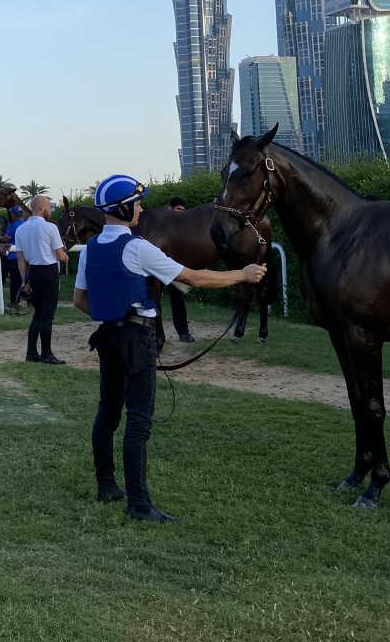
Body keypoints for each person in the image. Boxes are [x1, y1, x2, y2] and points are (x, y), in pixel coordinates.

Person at [74, 174, 266, 524]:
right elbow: (194, 277)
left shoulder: (91, 249)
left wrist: (113, 315)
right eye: (136, 202)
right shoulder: (137, 247)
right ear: (122, 207)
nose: (141, 207)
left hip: (108, 338)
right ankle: (139, 504)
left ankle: (107, 486)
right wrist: (243, 274)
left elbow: (79, 300)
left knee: (107, 414)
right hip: (137, 339)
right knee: (139, 421)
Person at [13, 196, 70, 365]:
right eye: (50, 207)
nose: (51, 210)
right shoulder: (50, 227)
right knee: (47, 315)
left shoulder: (21, 229)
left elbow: (21, 259)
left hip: (33, 273)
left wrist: (25, 281)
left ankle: (31, 352)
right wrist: (66, 257)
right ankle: (46, 353)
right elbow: (60, 255)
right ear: (42, 208)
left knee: (38, 314)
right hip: (48, 271)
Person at [165, 197, 195, 342]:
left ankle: (183, 332)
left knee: (178, 298)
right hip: (157, 266)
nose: (181, 213)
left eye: (183, 210)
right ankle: (158, 335)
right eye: (178, 209)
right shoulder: (160, 224)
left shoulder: (185, 227)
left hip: (174, 267)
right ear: (170, 208)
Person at [4, 205, 28, 310]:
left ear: (13, 215)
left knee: (15, 281)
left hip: (15, 257)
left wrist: (0, 236)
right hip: (26, 257)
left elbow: (6, 239)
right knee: (26, 279)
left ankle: (14, 301)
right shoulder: (26, 224)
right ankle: (30, 300)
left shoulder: (13, 225)